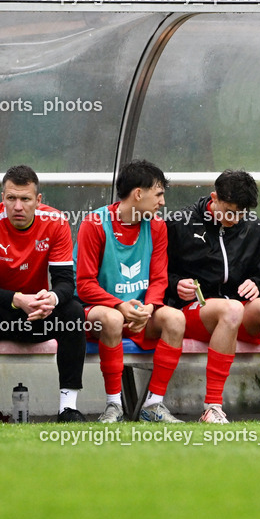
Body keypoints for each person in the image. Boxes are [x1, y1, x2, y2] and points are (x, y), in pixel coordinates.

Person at [166, 170, 260, 423]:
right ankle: (212, 407)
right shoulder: (179, 223)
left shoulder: (250, 226)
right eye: (229, 212)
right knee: (231, 310)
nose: (235, 219)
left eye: (241, 213)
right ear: (213, 197)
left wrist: (257, 285)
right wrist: (176, 285)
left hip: (237, 313)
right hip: (195, 312)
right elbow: (160, 273)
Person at [0, 165, 86, 422]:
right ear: (2, 197)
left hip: (32, 312)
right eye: (11, 198)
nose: (17, 206)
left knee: (73, 311)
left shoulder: (57, 222)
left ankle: (67, 408)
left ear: (38, 201)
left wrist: (52, 299)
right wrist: (18, 300)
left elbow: (65, 283)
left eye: (25, 199)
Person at [75, 159, 186, 424]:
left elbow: (159, 278)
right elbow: (85, 284)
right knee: (112, 319)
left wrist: (149, 308)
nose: (162, 202)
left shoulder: (157, 227)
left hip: (140, 315)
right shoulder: (94, 224)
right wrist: (119, 306)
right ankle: (114, 406)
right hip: (99, 313)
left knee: (175, 318)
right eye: (158, 194)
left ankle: (153, 404)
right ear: (139, 193)